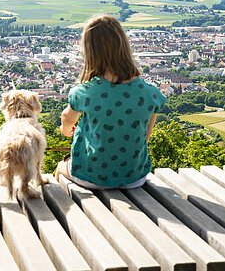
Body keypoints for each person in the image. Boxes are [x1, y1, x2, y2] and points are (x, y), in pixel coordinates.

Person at [55, 14, 166, 189]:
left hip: (90, 176)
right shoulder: (151, 94)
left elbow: (66, 119)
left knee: (61, 167)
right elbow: (145, 136)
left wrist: (66, 131)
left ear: (90, 52)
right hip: (134, 178)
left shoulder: (84, 92)